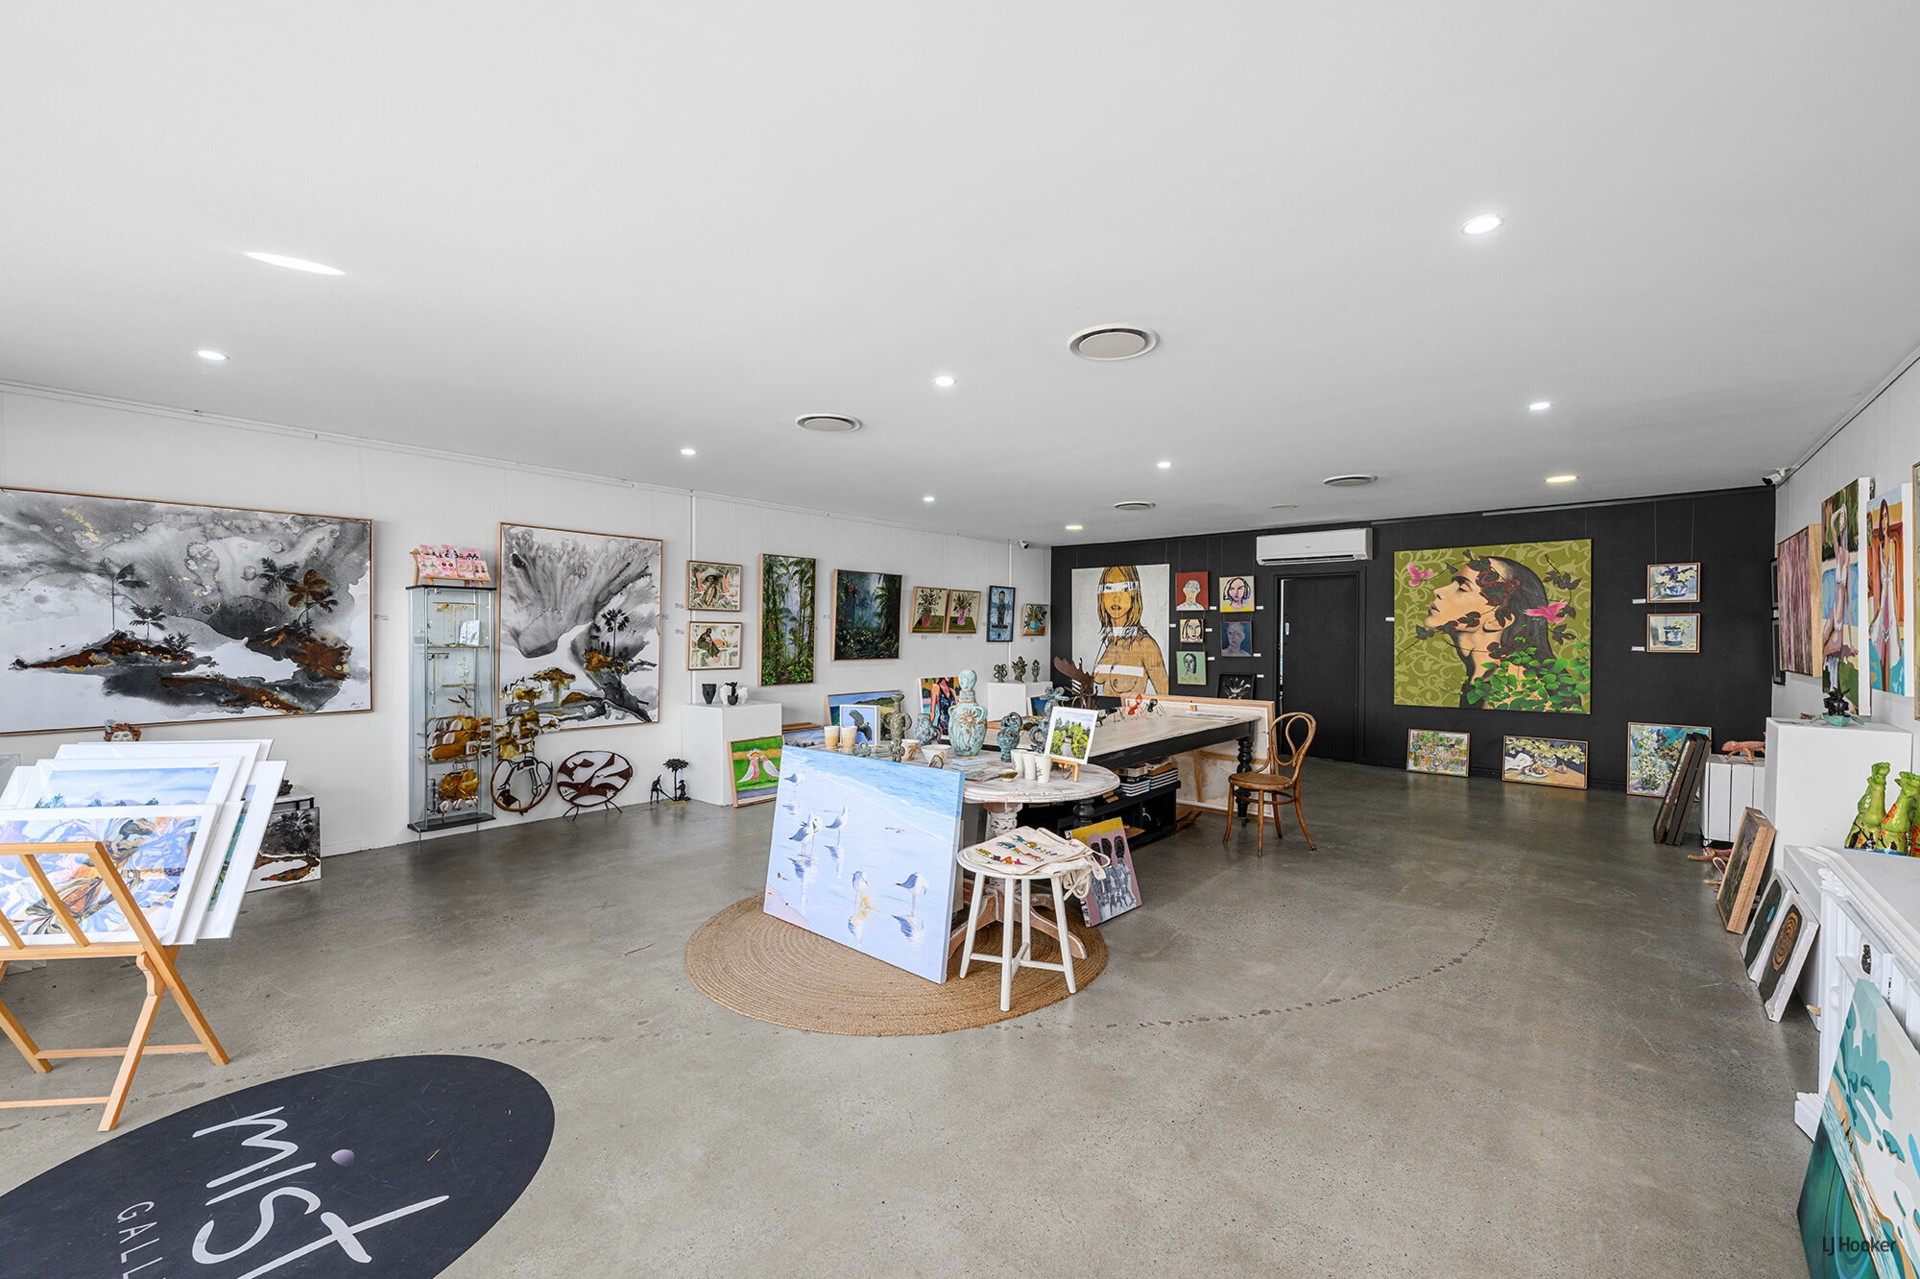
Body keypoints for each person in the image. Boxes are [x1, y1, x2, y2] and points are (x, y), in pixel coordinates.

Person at [1420, 555, 1571, 711]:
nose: (1438, 591)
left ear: (1499, 621)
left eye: (1462, 587)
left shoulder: (1508, 691)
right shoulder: (1485, 679)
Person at [1089, 565, 1168, 697]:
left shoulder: (1145, 645)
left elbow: (1166, 696)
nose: (1116, 597)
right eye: (1109, 588)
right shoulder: (1110, 642)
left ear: (1133, 595)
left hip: (1133, 710)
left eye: (1125, 589)